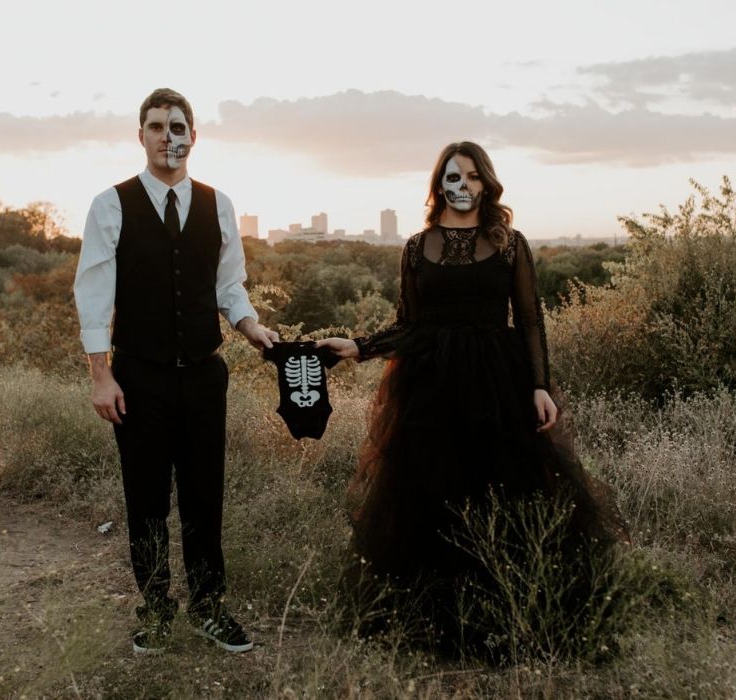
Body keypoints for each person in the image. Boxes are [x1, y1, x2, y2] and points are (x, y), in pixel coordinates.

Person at [317, 142, 627, 653]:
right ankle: (434, 620)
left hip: (496, 386)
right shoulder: (417, 247)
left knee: (502, 493)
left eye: (471, 177)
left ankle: (509, 614)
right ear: (438, 185)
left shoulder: (510, 243)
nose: (461, 187)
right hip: (431, 388)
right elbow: (410, 325)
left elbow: (529, 320)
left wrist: (540, 387)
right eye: (451, 178)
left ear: (486, 183)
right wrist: (359, 346)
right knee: (432, 495)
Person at [74, 88, 277, 655]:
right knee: (145, 501)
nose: (170, 136)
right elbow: (92, 295)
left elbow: (229, 286)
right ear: (140, 136)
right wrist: (100, 374)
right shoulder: (110, 204)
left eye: (179, 126)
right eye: (158, 126)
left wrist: (251, 327)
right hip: (138, 377)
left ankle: (210, 608)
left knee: (203, 497)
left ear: (195, 135)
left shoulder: (220, 204)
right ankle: (157, 609)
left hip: (204, 377)